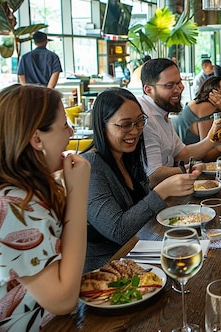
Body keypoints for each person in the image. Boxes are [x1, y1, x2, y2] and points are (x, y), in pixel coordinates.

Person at [0, 84, 90, 330]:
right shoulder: (12, 206)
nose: (71, 132)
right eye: (64, 125)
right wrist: (78, 193)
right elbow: (62, 301)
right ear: (37, 139)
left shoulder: (25, 190)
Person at [83, 88, 200, 271]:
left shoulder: (126, 156)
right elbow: (118, 231)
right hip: (105, 270)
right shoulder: (90, 166)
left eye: (139, 122)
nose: (136, 131)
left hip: (137, 252)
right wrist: (162, 191)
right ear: (102, 125)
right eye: (125, 124)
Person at [137, 58, 221, 187]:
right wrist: (189, 169)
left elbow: (181, 154)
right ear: (148, 90)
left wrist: (213, 137)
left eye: (179, 83)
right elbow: (153, 176)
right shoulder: (145, 119)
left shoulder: (161, 110)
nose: (179, 89)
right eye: (170, 86)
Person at [173, 76, 221, 146]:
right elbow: (207, 151)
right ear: (214, 88)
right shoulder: (206, 106)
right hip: (186, 153)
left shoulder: (208, 104)